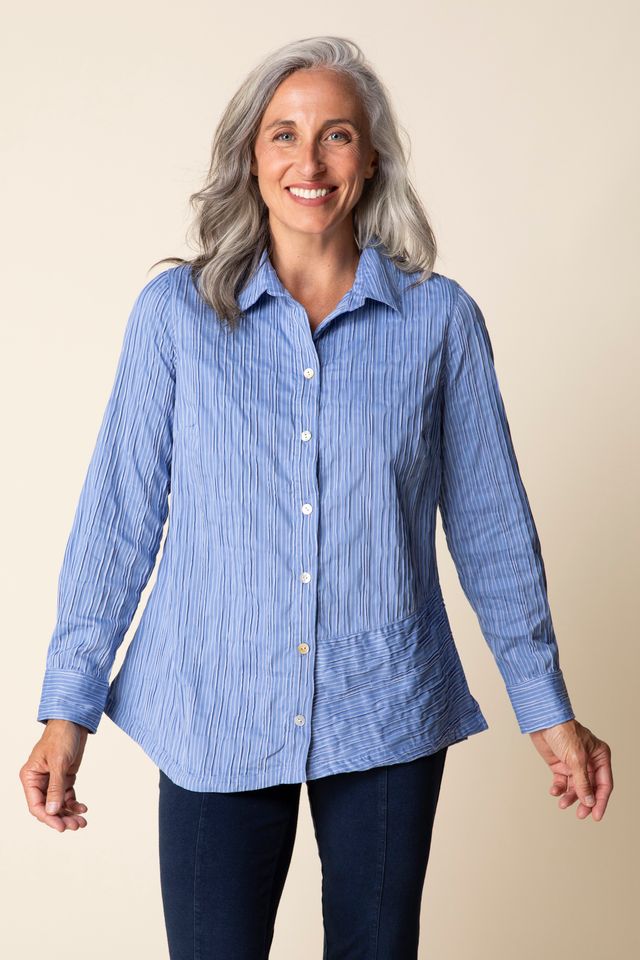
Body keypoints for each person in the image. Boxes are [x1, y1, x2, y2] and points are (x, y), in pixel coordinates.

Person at [20, 35, 613, 960]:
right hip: (213, 702)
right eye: (284, 135)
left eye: (337, 135)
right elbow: (117, 519)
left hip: (385, 705)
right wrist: (68, 710)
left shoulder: (439, 322)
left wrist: (546, 708)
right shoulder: (176, 318)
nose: (310, 160)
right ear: (250, 156)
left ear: (370, 158)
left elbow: (494, 531)